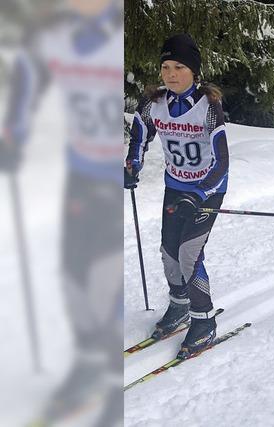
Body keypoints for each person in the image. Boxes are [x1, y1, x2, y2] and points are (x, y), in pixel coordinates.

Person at [0, 1, 124, 425]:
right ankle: (88, 359)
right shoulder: (57, 36)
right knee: (73, 269)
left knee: (104, 272)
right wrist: (12, 136)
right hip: (81, 172)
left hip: (112, 173)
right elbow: (27, 81)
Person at [125, 33, 229, 359]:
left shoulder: (208, 107)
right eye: (165, 66)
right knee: (169, 252)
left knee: (188, 254)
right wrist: (133, 164)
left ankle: (204, 320)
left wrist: (199, 193)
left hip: (207, 190)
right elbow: (140, 136)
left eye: (179, 67)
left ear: (194, 71)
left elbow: (222, 161)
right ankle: (180, 306)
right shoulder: (154, 103)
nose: (170, 73)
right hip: (176, 186)